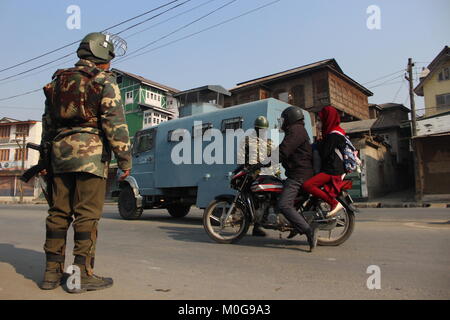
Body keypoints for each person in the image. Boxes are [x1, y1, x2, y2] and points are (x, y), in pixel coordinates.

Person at [39, 32, 132, 293]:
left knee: (58, 214)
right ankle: (81, 275)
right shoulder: (103, 81)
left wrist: (44, 159)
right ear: (103, 57)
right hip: (90, 158)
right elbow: (115, 123)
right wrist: (125, 160)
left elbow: (48, 124)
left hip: (59, 156)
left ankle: (50, 273)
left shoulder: (57, 82)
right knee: (87, 216)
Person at [277, 106, 318, 252]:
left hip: (299, 174)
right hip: (299, 172)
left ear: (290, 118)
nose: (283, 122)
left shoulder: (296, 131)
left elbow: (284, 150)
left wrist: (263, 161)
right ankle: (294, 224)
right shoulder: (298, 130)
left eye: (284, 119)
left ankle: (308, 231)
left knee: (283, 205)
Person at [237, 116, 279, 237]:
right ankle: (244, 224)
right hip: (249, 177)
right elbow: (240, 159)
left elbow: (275, 162)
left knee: (264, 202)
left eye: (263, 130)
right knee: (246, 200)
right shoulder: (246, 141)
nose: (261, 131)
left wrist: (276, 175)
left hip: (264, 177)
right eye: (259, 129)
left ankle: (258, 226)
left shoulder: (270, 143)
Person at [302, 105, 346, 218]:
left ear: (328, 119)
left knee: (307, 185)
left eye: (319, 120)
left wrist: (316, 146)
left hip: (332, 171)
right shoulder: (334, 133)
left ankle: (333, 203)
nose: (317, 124)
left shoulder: (333, 135)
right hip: (332, 169)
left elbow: (324, 154)